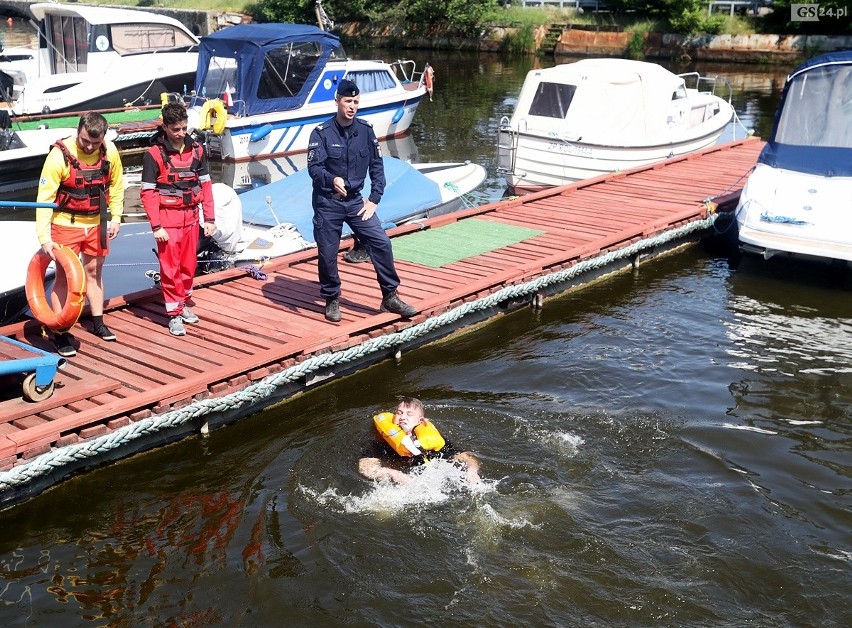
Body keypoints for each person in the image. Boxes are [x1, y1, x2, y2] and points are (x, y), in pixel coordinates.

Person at [307, 78, 417, 323]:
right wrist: (331, 178)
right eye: (348, 101)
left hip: (356, 202)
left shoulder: (366, 131)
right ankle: (331, 298)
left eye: (356, 101)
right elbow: (314, 168)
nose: (352, 106)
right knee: (327, 253)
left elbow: (377, 167)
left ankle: (390, 296)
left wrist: (374, 199)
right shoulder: (321, 133)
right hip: (328, 202)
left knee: (380, 241)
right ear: (337, 101)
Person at [36, 111, 125, 358]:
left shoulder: (110, 152)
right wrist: (45, 238)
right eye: (85, 140)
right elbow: (43, 200)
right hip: (66, 224)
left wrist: (116, 217)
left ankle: (98, 321)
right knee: (64, 278)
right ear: (79, 131)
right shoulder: (58, 157)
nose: (89, 146)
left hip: (98, 222)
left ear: (103, 139)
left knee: (94, 272)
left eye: (94, 143)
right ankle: (60, 331)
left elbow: (117, 185)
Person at [141, 102, 215, 337]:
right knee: (170, 269)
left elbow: (206, 186)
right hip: (168, 221)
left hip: (192, 219)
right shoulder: (153, 155)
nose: (182, 133)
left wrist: (210, 217)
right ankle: (173, 314)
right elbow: (148, 193)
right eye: (176, 129)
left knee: (188, 265)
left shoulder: (198, 150)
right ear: (165, 127)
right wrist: (156, 225)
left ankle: (182, 305)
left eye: (185, 128)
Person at [359, 396, 481, 485]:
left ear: (421, 421)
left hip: (439, 479)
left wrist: (472, 471)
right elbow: (365, 466)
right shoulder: (383, 442)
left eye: (409, 414)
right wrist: (392, 473)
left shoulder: (432, 440)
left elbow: (465, 456)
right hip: (403, 485)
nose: (403, 417)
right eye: (399, 413)